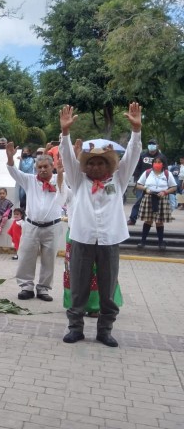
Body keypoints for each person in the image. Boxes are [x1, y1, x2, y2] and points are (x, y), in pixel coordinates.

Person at [59, 103, 142, 348]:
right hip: (82, 240)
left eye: (101, 163)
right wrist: (65, 134)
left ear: (109, 165)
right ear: (85, 165)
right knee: (78, 288)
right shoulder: (78, 179)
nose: (96, 167)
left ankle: (105, 330)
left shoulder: (119, 178)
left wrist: (136, 131)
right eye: (91, 163)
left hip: (109, 241)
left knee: (107, 289)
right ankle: (75, 328)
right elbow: (66, 158)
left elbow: (133, 156)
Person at [6, 146, 63, 301]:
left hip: (53, 226)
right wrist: (11, 158)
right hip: (31, 226)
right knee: (26, 257)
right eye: (39, 167)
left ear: (52, 167)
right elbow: (13, 172)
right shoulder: (30, 180)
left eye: (46, 166)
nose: (43, 170)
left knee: (49, 259)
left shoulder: (59, 180)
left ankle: (43, 289)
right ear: (36, 168)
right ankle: (26, 287)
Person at [134, 157, 177, 250]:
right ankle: (142, 242)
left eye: (159, 162)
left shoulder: (167, 174)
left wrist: (165, 192)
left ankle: (161, 243)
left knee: (159, 222)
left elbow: (174, 187)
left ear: (163, 164)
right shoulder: (147, 172)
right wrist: (145, 188)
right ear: (152, 163)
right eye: (155, 162)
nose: (157, 164)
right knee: (148, 220)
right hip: (149, 197)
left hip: (161, 198)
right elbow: (138, 185)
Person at [128, 138, 167, 225]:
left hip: (156, 184)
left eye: (153, 144)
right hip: (142, 183)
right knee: (139, 200)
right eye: (150, 144)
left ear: (157, 146)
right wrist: (137, 180)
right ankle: (132, 219)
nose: (151, 145)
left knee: (156, 203)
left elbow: (165, 170)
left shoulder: (161, 157)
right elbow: (137, 167)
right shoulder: (142, 155)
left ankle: (152, 220)